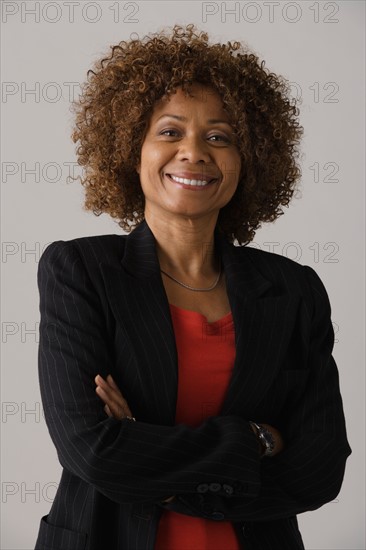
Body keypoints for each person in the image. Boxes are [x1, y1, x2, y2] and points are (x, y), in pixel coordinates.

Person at [34, 23, 351, 550]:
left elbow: (319, 469)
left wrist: (146, 455)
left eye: (220, 137)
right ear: (130, 148)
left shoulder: (294, 291)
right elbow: (92, 452)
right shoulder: (80, 271)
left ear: (248, 159)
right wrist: (256, 440)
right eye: (170, 131)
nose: (194, 152)